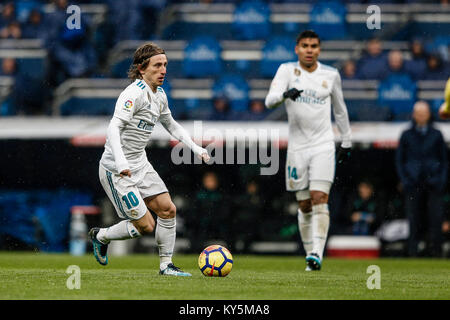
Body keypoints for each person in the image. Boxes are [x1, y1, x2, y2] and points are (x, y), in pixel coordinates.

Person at [89, 42, 210, 276]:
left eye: (165, 64)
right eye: (157, 65)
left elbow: (171, 125)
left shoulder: (160, 95)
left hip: (140, 164)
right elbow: (113, 128)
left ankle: (166, 266)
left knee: (167, 209)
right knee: (145, 226)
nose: (163, 70)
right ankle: (101, 236)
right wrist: (122, 163)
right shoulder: (133, 94)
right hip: (117, 169)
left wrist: (196, 148)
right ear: (142, 68)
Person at [264, 30, 352, 271]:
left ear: (319, 49)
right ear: (297, 49)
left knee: (319, 197)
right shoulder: (286, 71)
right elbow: (269, 100)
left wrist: (346, 141)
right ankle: (309, 254)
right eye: (305, 46)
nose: (310, 50)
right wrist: (285, 94)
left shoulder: (331, 75)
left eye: (314, 46)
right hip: (297, 148)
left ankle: (316, 253)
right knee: (304, 204)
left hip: (323, 144)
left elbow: (340, 110)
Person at [396, 100, 448, 257]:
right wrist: (405, 180)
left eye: (424, 113)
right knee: (413, 219)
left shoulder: (437, 134)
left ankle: (436, 253)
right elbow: (399, 160)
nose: (421, 116)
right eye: (418, 114)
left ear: (429, 114)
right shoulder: (406, 134)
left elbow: (445, 160)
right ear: (414, 115)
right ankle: (412, 252)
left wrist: (440, 180)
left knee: (435, 219)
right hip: (413, 183)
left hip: (433, 183)